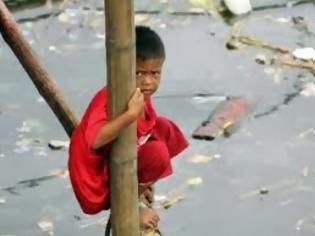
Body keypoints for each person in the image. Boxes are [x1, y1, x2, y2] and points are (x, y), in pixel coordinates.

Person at [68, 25, 188, 228]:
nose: (148, 81)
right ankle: (130, 206)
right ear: (124, 69)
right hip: (96, 183)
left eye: (155, 73)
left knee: (165, 128)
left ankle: (141, 186)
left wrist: (146, 179)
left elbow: (147, 126)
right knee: (157, 153)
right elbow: (95, 139)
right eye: (139, 73)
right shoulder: (109, 98)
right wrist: (130, 115)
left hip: (117, 159)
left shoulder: (139, 93)